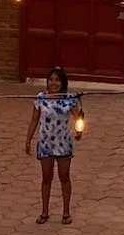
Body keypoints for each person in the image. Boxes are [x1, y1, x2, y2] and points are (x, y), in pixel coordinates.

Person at [25, 66, 82, 225]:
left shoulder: (70, 99)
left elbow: (78, 118)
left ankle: (66, 212)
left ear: (63, 83)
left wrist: (79, 131)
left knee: (64, 176)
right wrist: (28, 139)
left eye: (57, 80)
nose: (54, 83)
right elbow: (34, 120)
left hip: (63, 143)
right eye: (51, 80)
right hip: (45, 143)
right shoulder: (41, 98)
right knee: (46, 177)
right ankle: (44, 211)